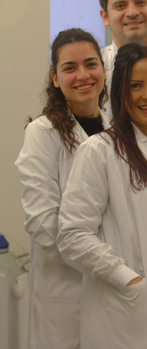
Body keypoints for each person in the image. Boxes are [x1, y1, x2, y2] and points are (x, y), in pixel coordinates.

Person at [58, 44, 147, 349]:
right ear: (119, 93)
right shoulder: (100, 150)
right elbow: (72, 236)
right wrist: (127, 279)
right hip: (129, 305)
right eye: (136, 85)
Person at [15, 28, 108, 349]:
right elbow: (44, 224)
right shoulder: (42, 133)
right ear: (55, 78)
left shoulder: (119, 127)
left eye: (91, 64)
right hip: (67, 293)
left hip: (116, 291)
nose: (83, 75)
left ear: (104, 69)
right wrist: (106, 261)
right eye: (70, 68)